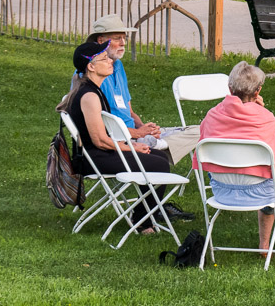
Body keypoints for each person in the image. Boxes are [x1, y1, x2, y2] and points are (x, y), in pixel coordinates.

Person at [80, 13, 197, 221]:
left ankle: (147, 212)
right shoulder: (90, 91)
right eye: (117, 38)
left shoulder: (113, 69)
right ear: (100, 42)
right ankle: (144, 219)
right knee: (160, 161)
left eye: (124, 37)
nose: (123, 43)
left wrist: (144, 127)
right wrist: (133, 142)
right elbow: (101, 135)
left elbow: (128, 109)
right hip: (107, 146)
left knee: (193, 133)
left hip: (123, 138)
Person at [193, 61, 275, 253]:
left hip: (221, 191)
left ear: (229, 88)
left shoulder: (211, 116)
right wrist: (258, 109)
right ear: (258, 91)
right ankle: (267, 244)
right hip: (260, 194)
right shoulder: (266, 119)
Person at [62, 41, 171, 235]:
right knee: (160, 165)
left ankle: (141, 215)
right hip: (92, 159)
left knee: (160, 158)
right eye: (104, 59)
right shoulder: (89, 96)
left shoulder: (93, 90)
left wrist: (132, 142)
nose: (110, 61)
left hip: (99, 153)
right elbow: (99, 140)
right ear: (91, 66)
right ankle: (143, 222)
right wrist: (133, 148)